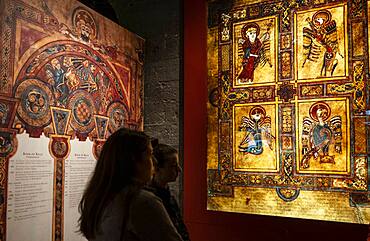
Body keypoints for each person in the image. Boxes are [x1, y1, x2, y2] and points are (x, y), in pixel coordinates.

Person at [79, 128, 183, 241]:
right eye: (150, 154)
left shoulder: (97, 198)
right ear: (134, 161)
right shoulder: (141, 202)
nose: (154, 161)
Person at [147, 141, 190, 241]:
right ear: (157, 168)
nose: (179, 170)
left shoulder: (169, 197)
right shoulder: (150, 201)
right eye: (173, 166)